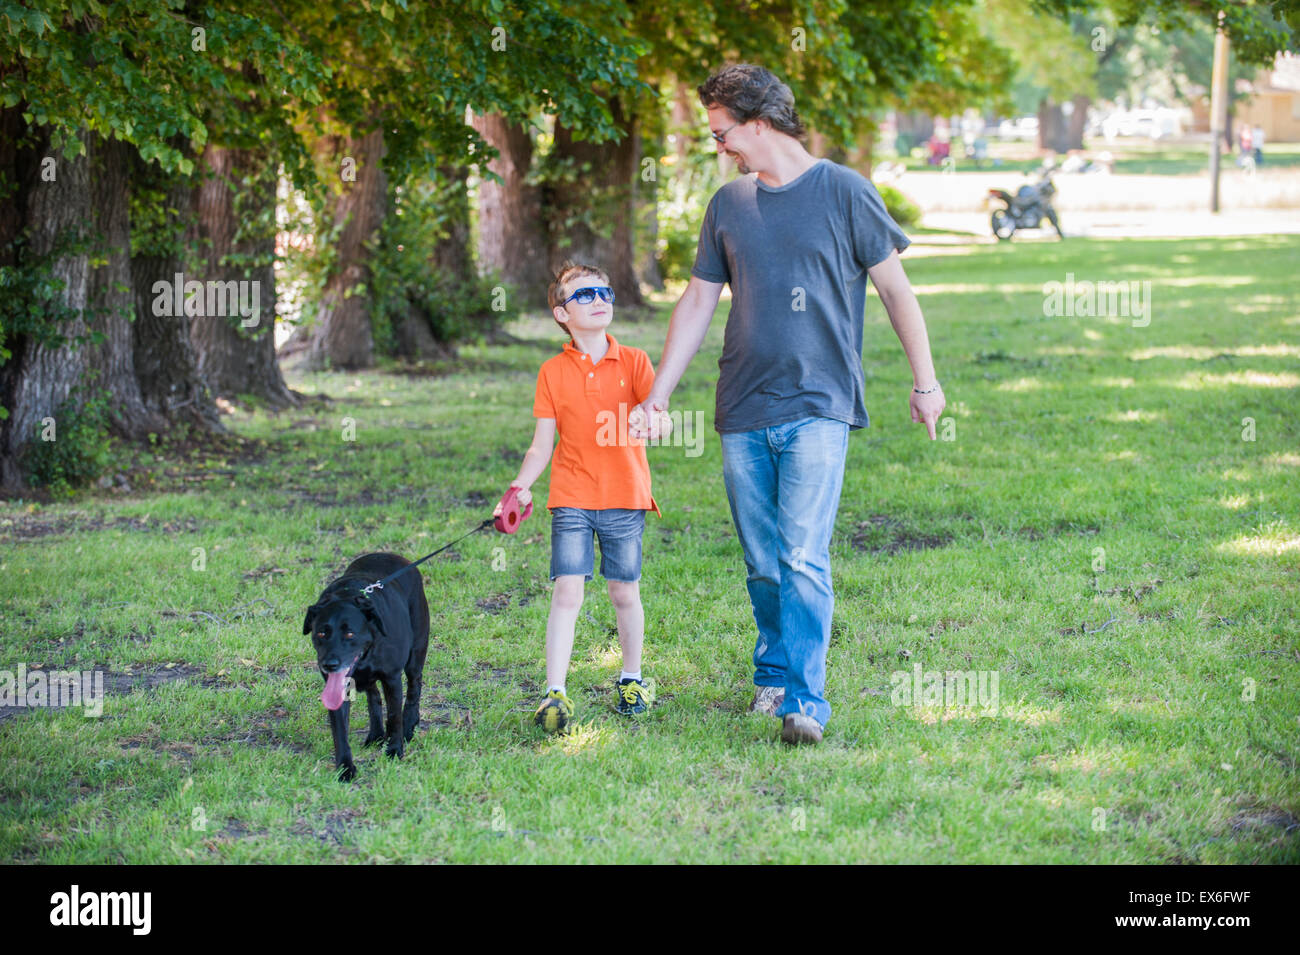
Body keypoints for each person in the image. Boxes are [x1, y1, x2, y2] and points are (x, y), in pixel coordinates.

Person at [630, 63, 945, 745]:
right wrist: (658, 393)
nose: (720, 147)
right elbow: (695, 302)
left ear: (760, 123)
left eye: (722, 134)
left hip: (819, 402)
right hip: (742, 403)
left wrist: (926, 382)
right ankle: (772, 670)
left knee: (803, 552)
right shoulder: (729, 206)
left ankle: (806, 700)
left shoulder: (844, 192)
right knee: (764, 560)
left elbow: (897, 291)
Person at [497, 262, 662, 734]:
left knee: (623, 591)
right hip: (571, 497)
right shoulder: (552, 372)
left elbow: (661, 417)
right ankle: (555, 692)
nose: (599, 300)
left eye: (605, 292)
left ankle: (632, 679)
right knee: (567, 591)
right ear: (561, 313)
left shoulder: (634, 362)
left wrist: (654, 422)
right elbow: (541, 445)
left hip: (625, 497)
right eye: (584, 294)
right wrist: (520, 486)